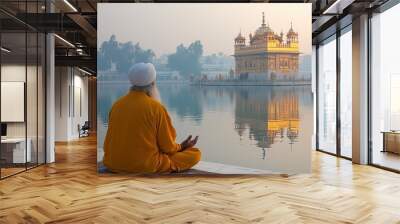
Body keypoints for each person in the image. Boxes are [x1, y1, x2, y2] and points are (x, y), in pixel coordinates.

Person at [103, 62, 201, 173]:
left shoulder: (117, 105)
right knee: (195, 154)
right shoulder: (156, 108)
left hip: (113, 163)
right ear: (153, 84)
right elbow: (167, 147)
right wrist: (182, 146)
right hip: (144, 165)